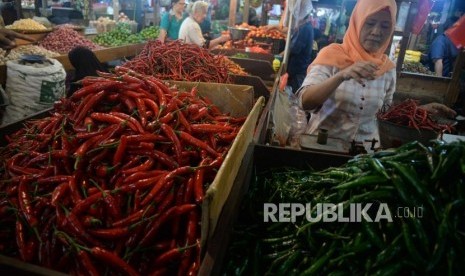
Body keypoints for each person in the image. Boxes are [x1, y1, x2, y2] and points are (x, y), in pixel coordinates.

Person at [297, 0, 455, 143]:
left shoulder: (387, 68)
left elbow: (385, 113)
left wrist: (420, 111)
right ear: (357, 23)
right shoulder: (332, 55)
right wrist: (341, 76)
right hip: (322, 147)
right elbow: (305, 102)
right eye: (370, 23)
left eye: (385, 26)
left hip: (365, 154)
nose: (376, 32)